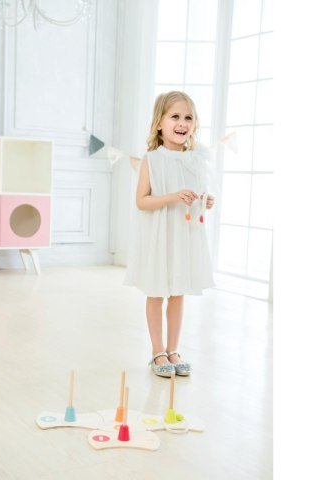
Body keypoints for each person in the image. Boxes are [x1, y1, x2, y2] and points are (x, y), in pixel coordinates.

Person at [124, 91, 216, 377]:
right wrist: (173, 196)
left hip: (183, 236)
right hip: (160, 237)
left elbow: (196, 195)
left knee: (177, 293)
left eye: (188, 117)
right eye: (175, 116)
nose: (182, 123)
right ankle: (157, 351)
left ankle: (173, 349)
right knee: (156, 292)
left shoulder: (196, 160)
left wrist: (204, 200)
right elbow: (142, 201)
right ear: (159, 123)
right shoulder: (152, 160)